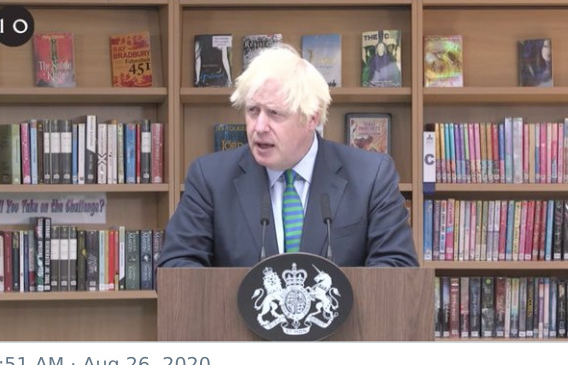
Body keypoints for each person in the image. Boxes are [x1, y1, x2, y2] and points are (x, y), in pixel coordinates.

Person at [158, 45, 418, 268]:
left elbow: (397, 268)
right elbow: (176, 267)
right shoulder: (210, 178)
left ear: (311, 118)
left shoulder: (370, 176)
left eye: (274, 114)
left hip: (341, 326)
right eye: (252, 111)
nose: (259, 127)